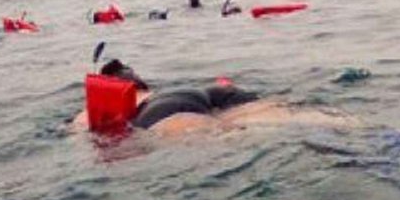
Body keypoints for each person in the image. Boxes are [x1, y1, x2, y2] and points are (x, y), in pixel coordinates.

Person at [70, 57, 356, 137]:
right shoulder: (154, 88)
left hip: (160, 116)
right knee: (292, 114)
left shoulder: (92, 108)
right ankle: (363, 130)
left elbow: (92, 133)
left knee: (234, 135)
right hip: (205, 92)